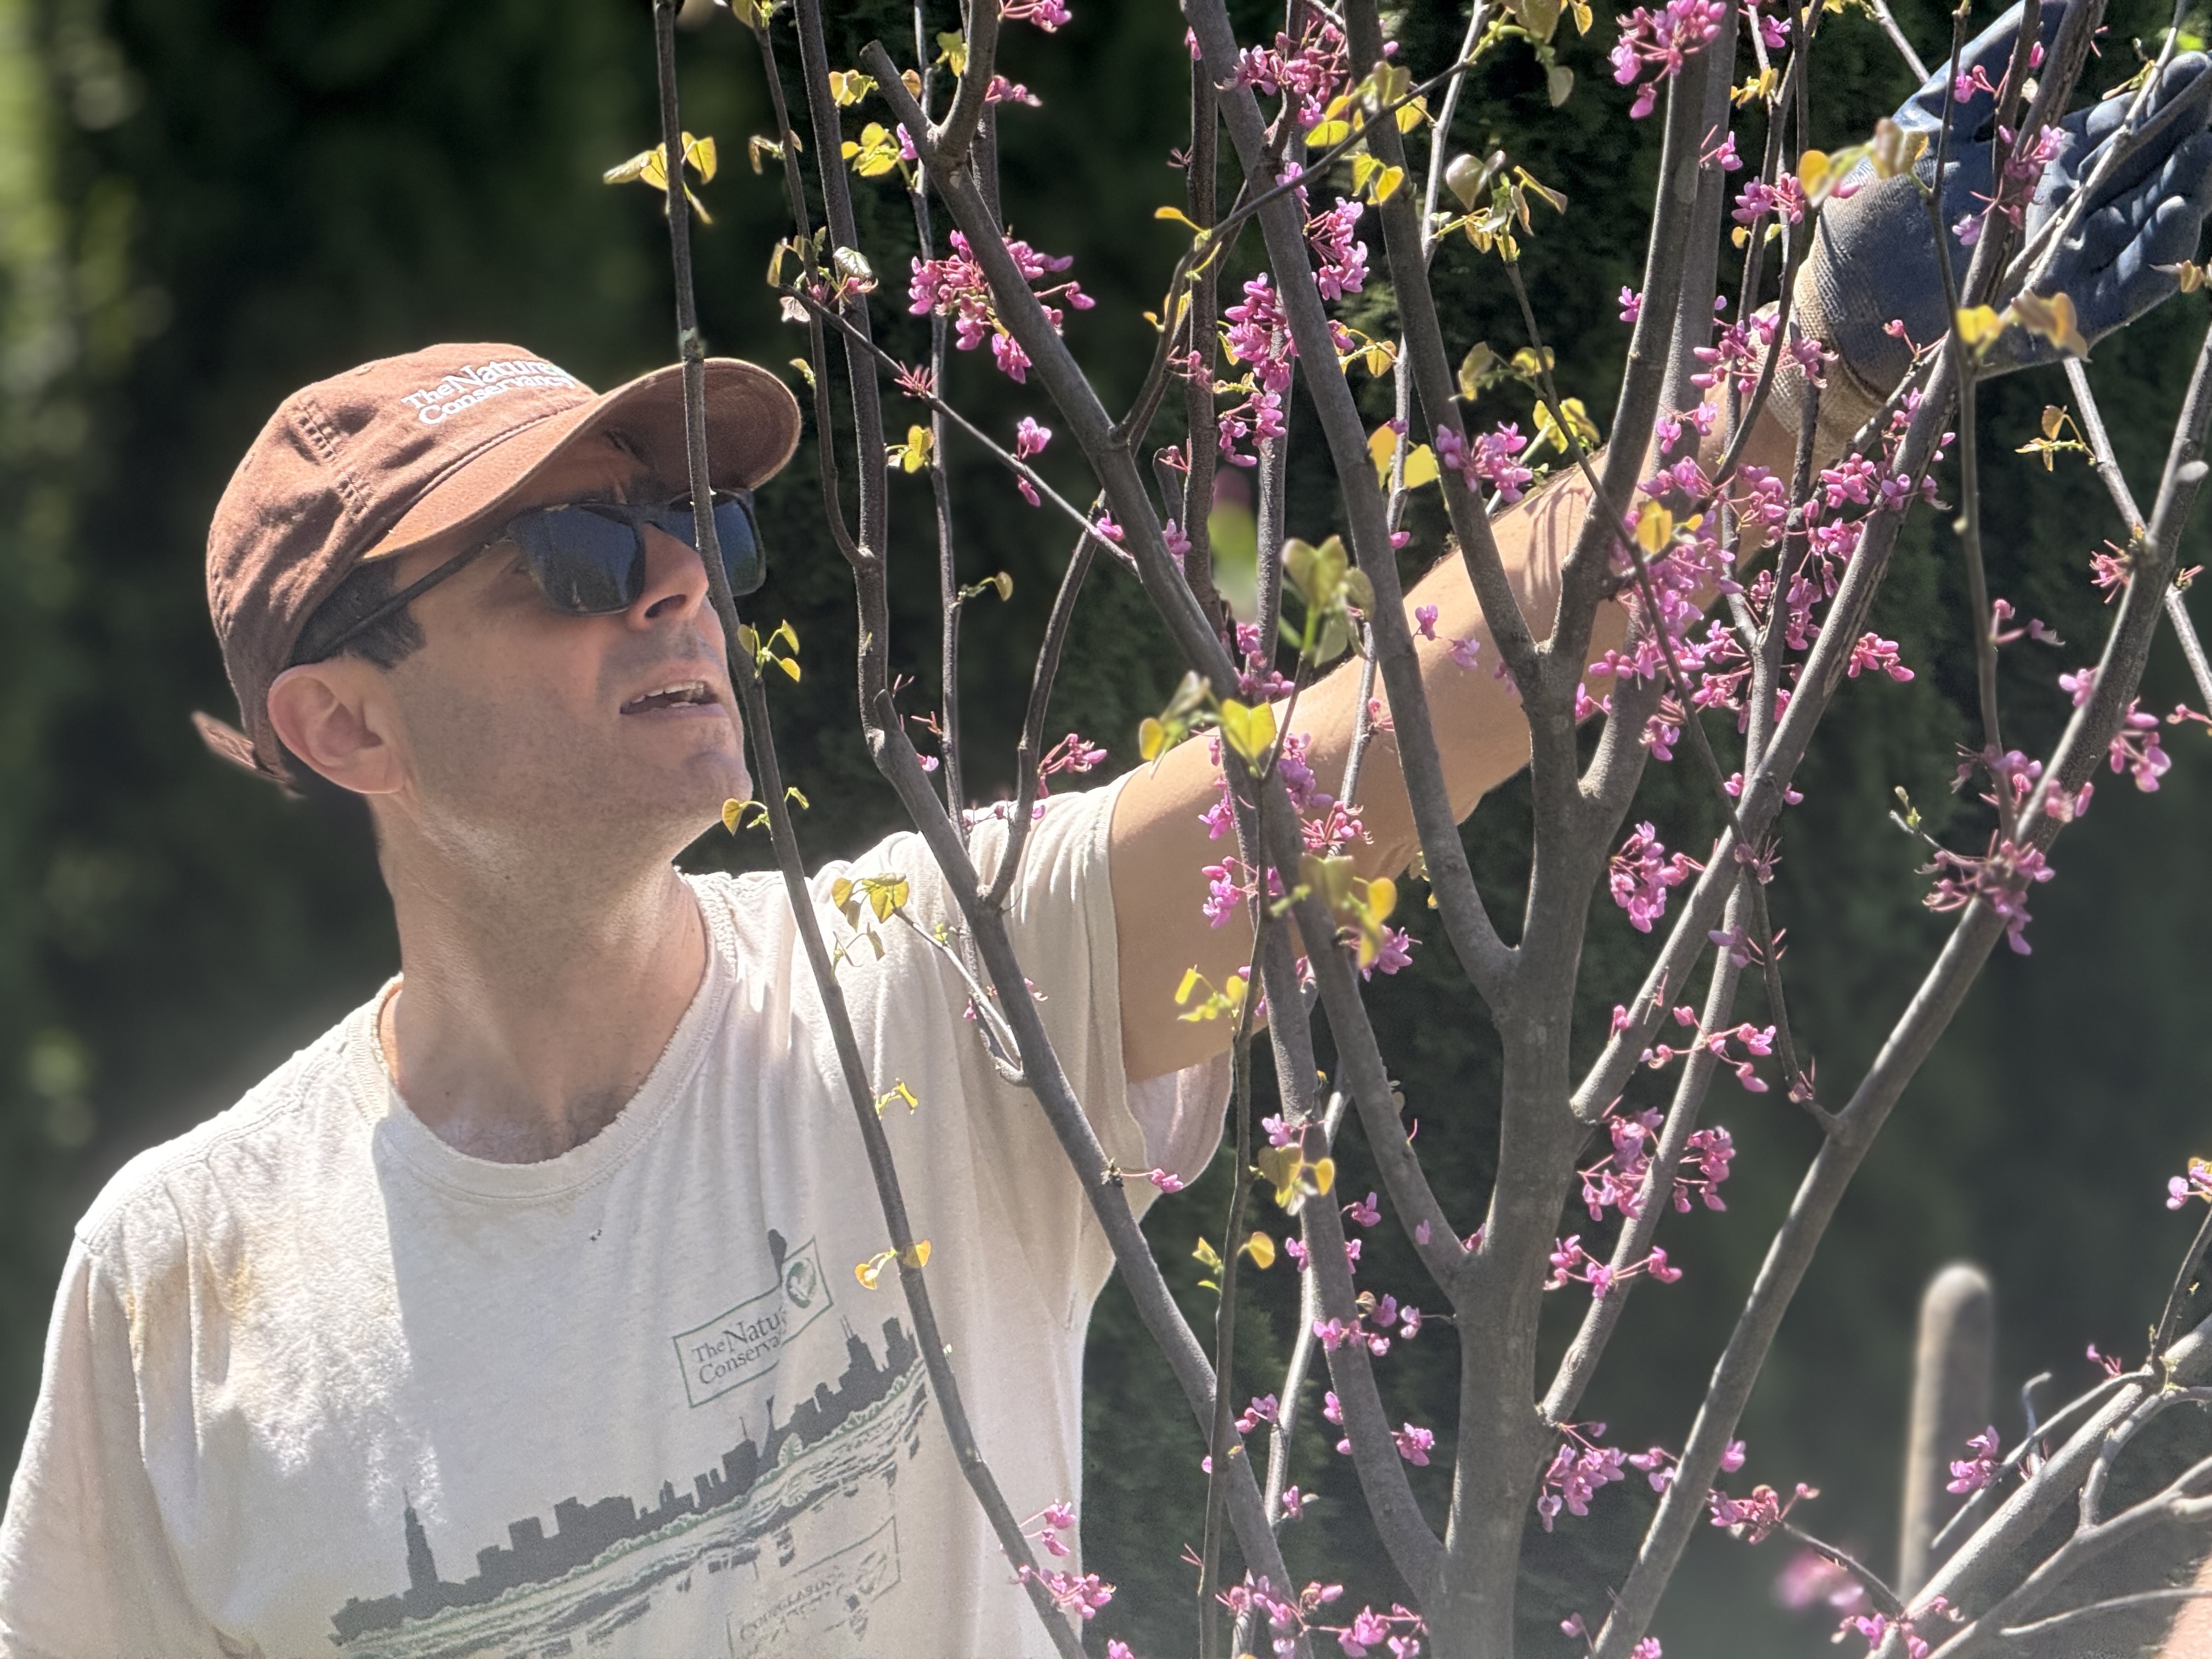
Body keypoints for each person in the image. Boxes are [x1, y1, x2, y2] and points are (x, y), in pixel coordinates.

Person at [4, 7, 2209, 1653]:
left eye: (689, 528)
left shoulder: (947, 989)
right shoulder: (185, 1284)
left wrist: (1812, 374)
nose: (674, 582)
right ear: (344, 722)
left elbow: (1429, 706)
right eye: (571, 566)